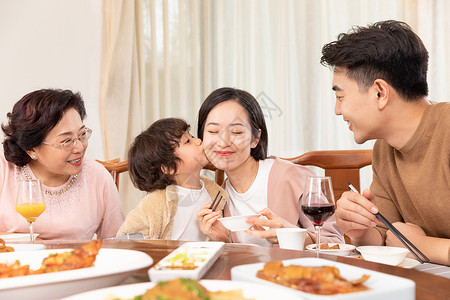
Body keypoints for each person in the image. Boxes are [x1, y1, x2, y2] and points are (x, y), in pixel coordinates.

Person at [320, 20, 450, 265]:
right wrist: (359, 229)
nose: (338, 110)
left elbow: (405, 243)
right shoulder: (385, 147)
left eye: (340, 96)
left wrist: (422, 246)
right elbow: (386, 238)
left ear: (380, 92)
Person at [197, 87, 344, 246]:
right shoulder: (220, 197)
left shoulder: (291, 177)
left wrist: (291, 235)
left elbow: (335, 243)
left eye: (237, 132)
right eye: (213, 131)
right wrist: (224, 240)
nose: (223, 142)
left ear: (255, 138)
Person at [0, 89, 125, 240]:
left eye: (82, 135)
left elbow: (117, 243)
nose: (79, 148)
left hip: (76, 263)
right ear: (32, 148)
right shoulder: (4, 169)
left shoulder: (97, 176)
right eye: (66, 141)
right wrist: (28, 242)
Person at [116, 118, 229, 241]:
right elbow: (126, 239)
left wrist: (222, 238)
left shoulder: (217, 195)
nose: (198, 141)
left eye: (192, 136)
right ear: (170, 167)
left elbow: (226, 242)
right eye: (187, 141)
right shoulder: (156, 203)